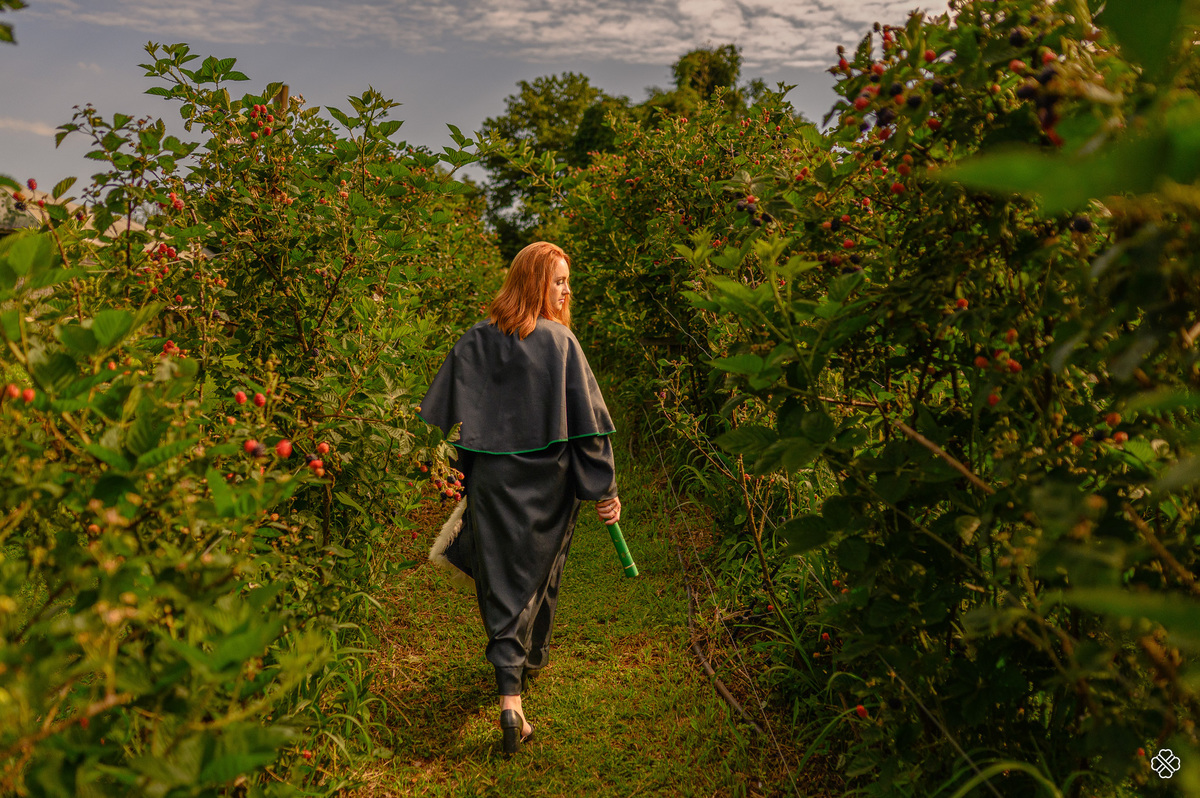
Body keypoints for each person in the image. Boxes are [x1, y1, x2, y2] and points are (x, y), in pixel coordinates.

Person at [417, 241, 622, 756]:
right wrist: (603, 489)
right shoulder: (561, 343)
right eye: (558, 281)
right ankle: (512, 698)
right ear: (533, 283)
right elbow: (591, 427)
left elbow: (435, 422)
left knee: (504, 581)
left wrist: (448, 472)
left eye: (566, 280)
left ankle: (524, 665)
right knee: (538, 573)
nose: (566, 290)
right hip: (551, 485)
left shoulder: (474, 341)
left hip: (492, 481)